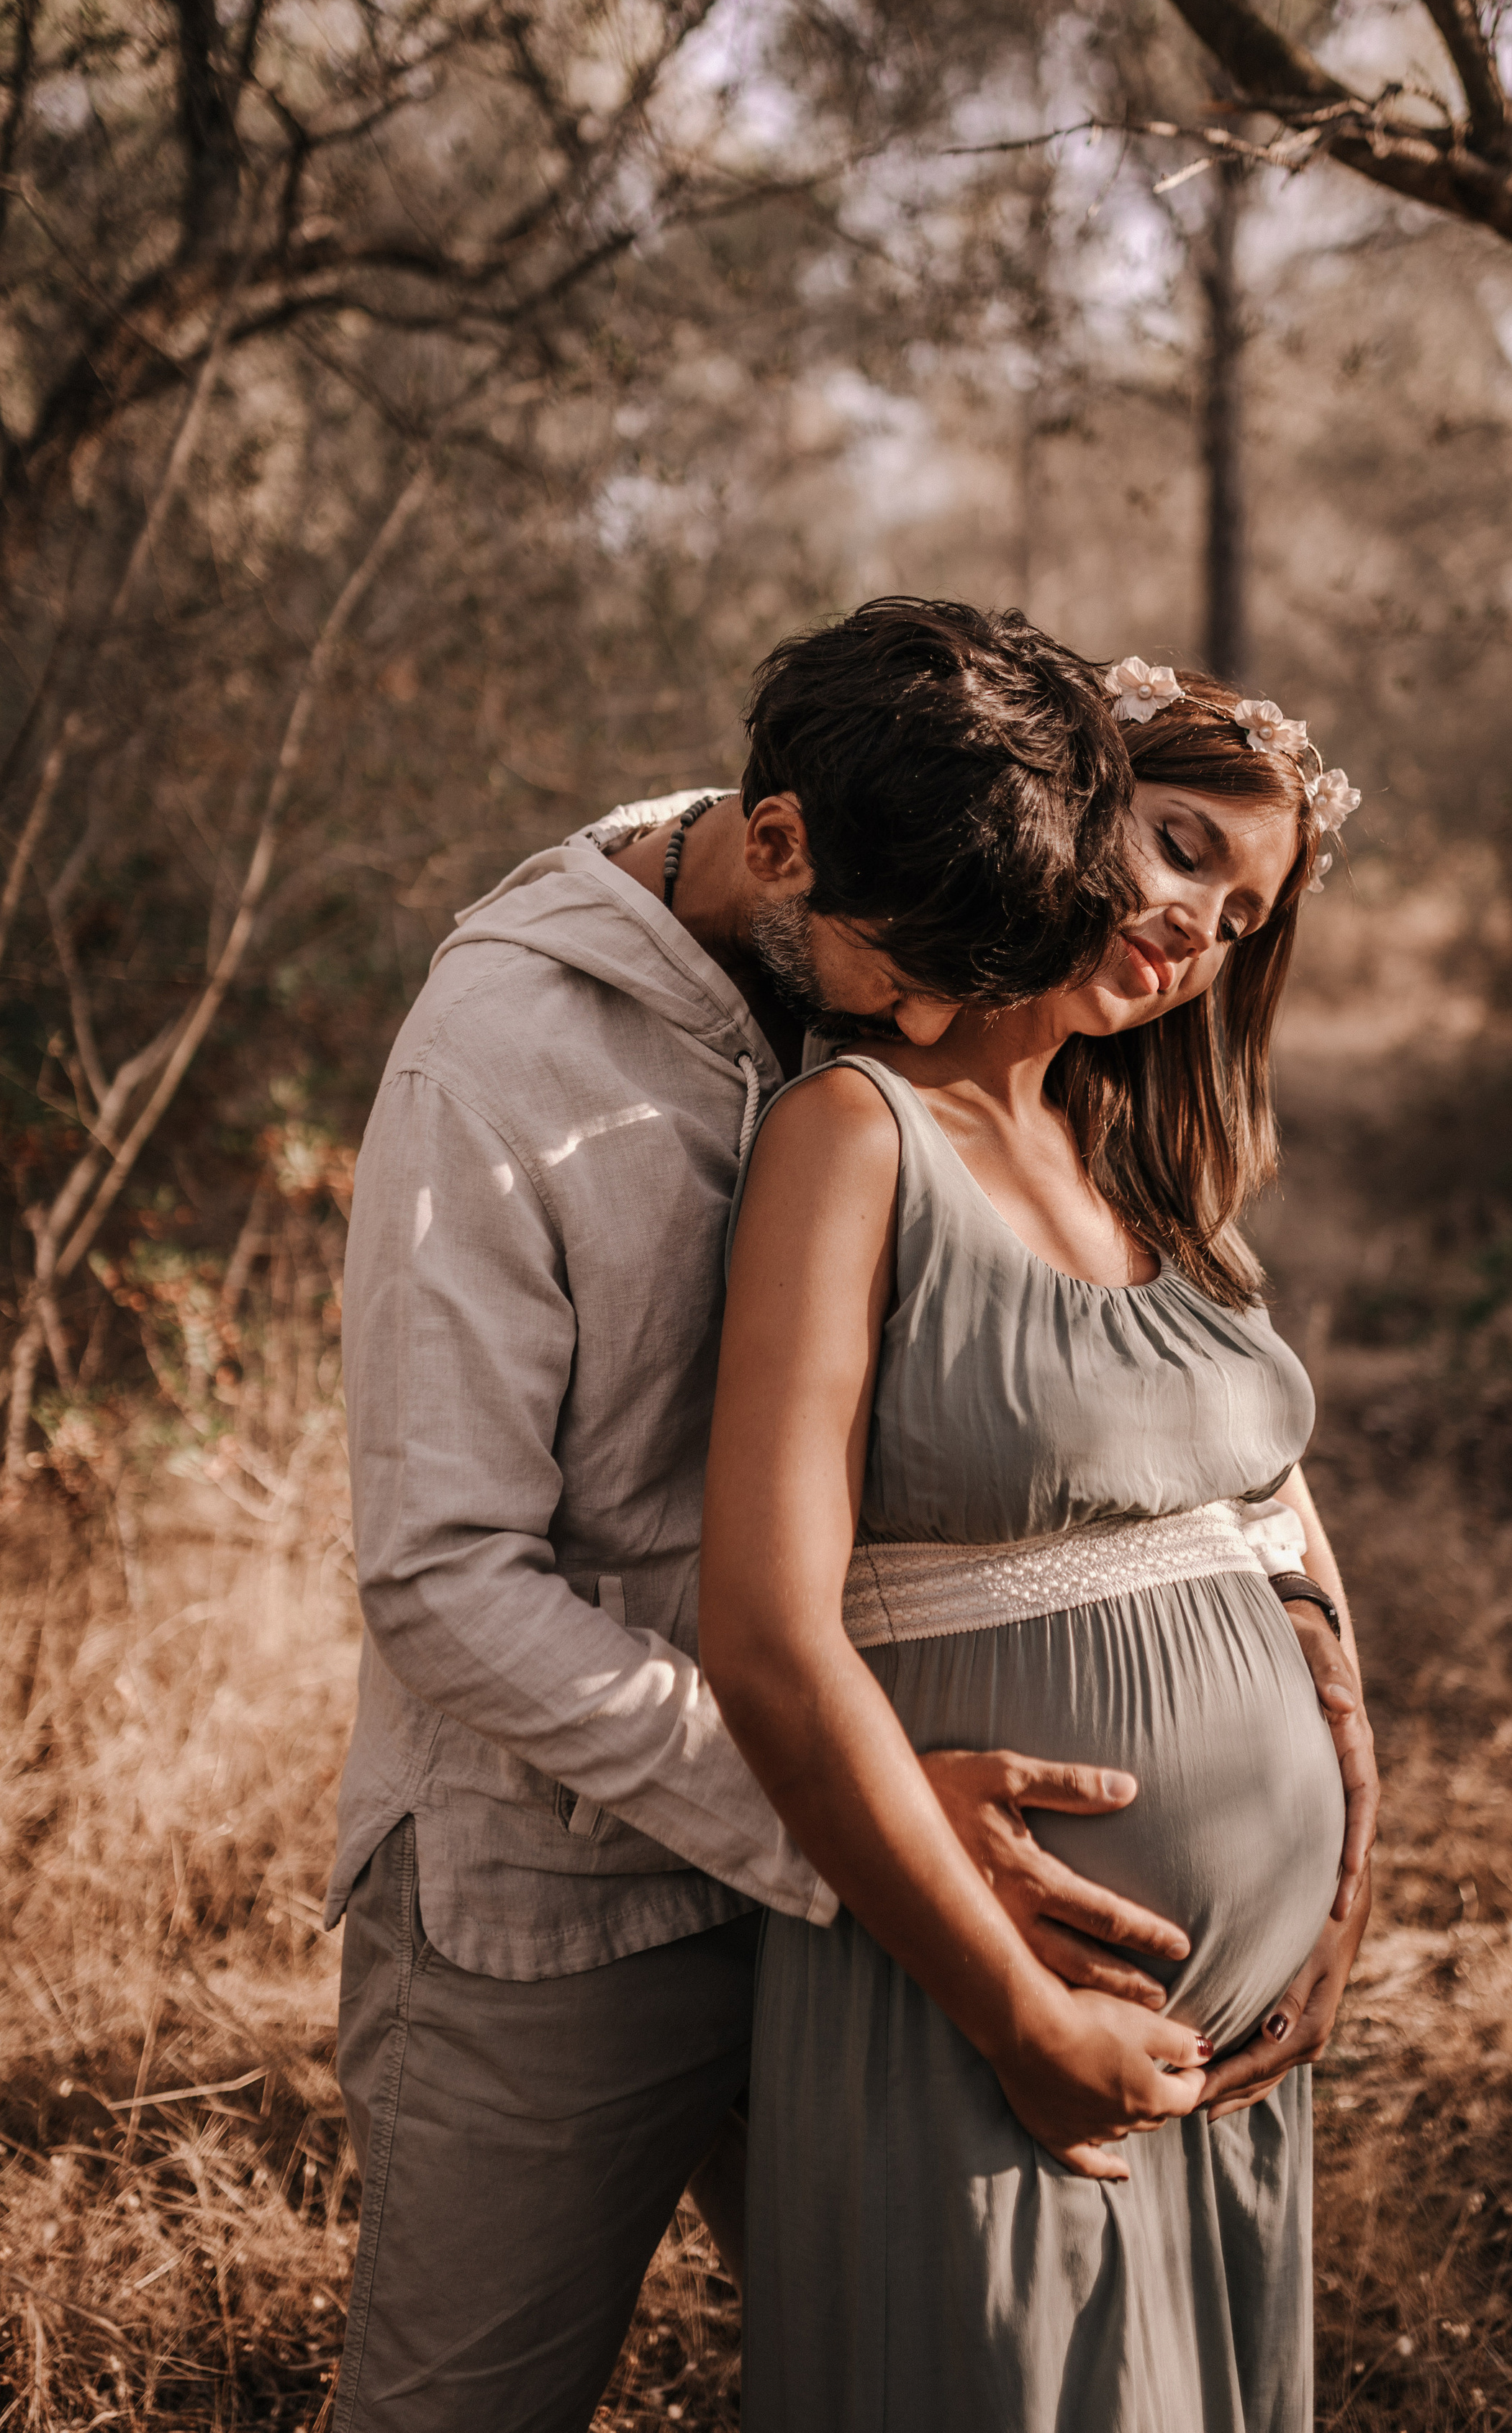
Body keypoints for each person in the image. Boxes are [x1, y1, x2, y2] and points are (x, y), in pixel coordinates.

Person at [324, 602, 1255, 2433]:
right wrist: (846, 1818)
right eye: (901, 972)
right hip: (559, 1909)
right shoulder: (498, 1065)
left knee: (915, 2385)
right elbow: (440, 1580)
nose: (921, 1022)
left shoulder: (912, 850)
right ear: (775, 841)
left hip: (875, 1897)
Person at [702, 661, 1375, 2433]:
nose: (1193, 926)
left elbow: (1277, 1541)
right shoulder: (855, 1137)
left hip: (1228, 2055)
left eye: (1241, 913)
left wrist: (1342, 1880)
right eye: (1173, 845)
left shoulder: (1144, 1165)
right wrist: (1014, 2013)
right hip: (980, 2016)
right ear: (1056, 804)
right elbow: (766, 1635)